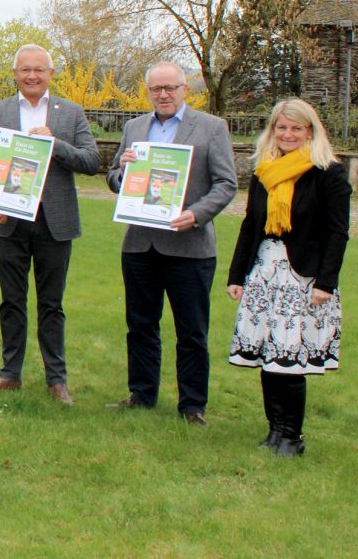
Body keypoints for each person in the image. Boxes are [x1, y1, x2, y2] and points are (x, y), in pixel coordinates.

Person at [105, 62, 237, 425]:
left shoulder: (211, 127)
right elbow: (114, 176)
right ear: (147, 92)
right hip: (140, 245)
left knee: (192, 331)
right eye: (156, 89)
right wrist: (122, 173)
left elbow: (226, 184)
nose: (163, 95)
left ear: (184, 89)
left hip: (189, 247)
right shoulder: (134, 127)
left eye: (170, 88)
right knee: (140, 325)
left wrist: (196, 214)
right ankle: (142, 394)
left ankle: (192, 405)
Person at [0, 44, 100, 404]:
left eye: (39, 70)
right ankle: (9, 374)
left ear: (51, 73)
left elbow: (92, 161)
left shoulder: (71, 113)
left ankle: (56, 379)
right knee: (11, 301)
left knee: (51, 304)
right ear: (14, 73)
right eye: (25, 69)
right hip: (8, 221)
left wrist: (55, 144)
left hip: (54, 222)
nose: (32, 75)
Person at [226, 99, 350, 456]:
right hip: (265, 271)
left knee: (289, 354)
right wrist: (237, 275)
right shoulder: (266, 171)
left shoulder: (328, 172)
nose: (288, 134)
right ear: (273, 130)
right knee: (269, 353)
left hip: (303, 276)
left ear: (311, 131)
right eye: (282, 127)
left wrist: (326, 283)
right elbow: (251, 224)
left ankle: (292, 437)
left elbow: (337, 233)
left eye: (297, 128)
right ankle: (274, 430)